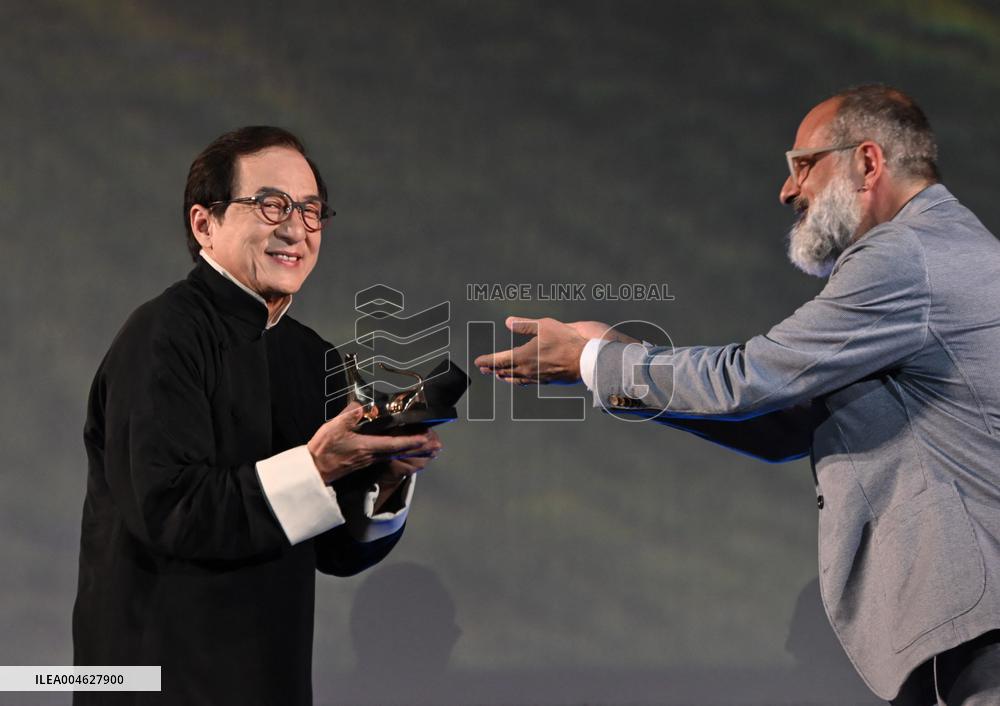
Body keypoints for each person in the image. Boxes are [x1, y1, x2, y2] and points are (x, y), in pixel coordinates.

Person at [475, 85, 1000, 705]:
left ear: (867, 162)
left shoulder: (905, 255)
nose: (787, 190)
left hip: (978, 628)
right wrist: (612, 356)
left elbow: (750, 378)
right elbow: (788, 422)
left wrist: (594, 361)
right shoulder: (941, 248)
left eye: (803, 165)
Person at [74, 126, 443, 705]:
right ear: (205, 224)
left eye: (311, 211)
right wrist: (316, 468)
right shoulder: (161, 334)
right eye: (272, 205)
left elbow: (334, 552)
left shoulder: (313, 356)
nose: (295, 229)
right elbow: (169, 511)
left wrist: (384, 478)